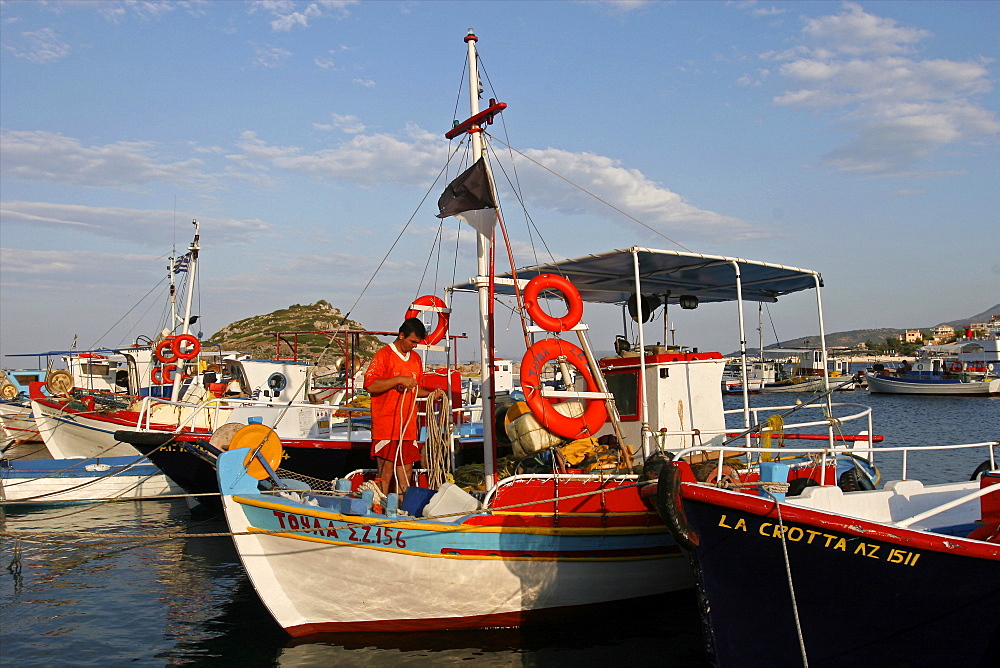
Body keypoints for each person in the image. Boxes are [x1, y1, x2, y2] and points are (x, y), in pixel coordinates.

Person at [364, 317, 429, 498]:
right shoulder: (383, 355)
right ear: (401, 335)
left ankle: (402, 510)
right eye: (412, 341)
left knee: (406, 473)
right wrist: (398, 379)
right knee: (385, 474)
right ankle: (382, 509)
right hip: (387, 426)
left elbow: (416, 389)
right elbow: (370, 386)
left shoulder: (415, 359)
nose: (414, 346)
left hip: (408, 428)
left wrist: (432, 394)